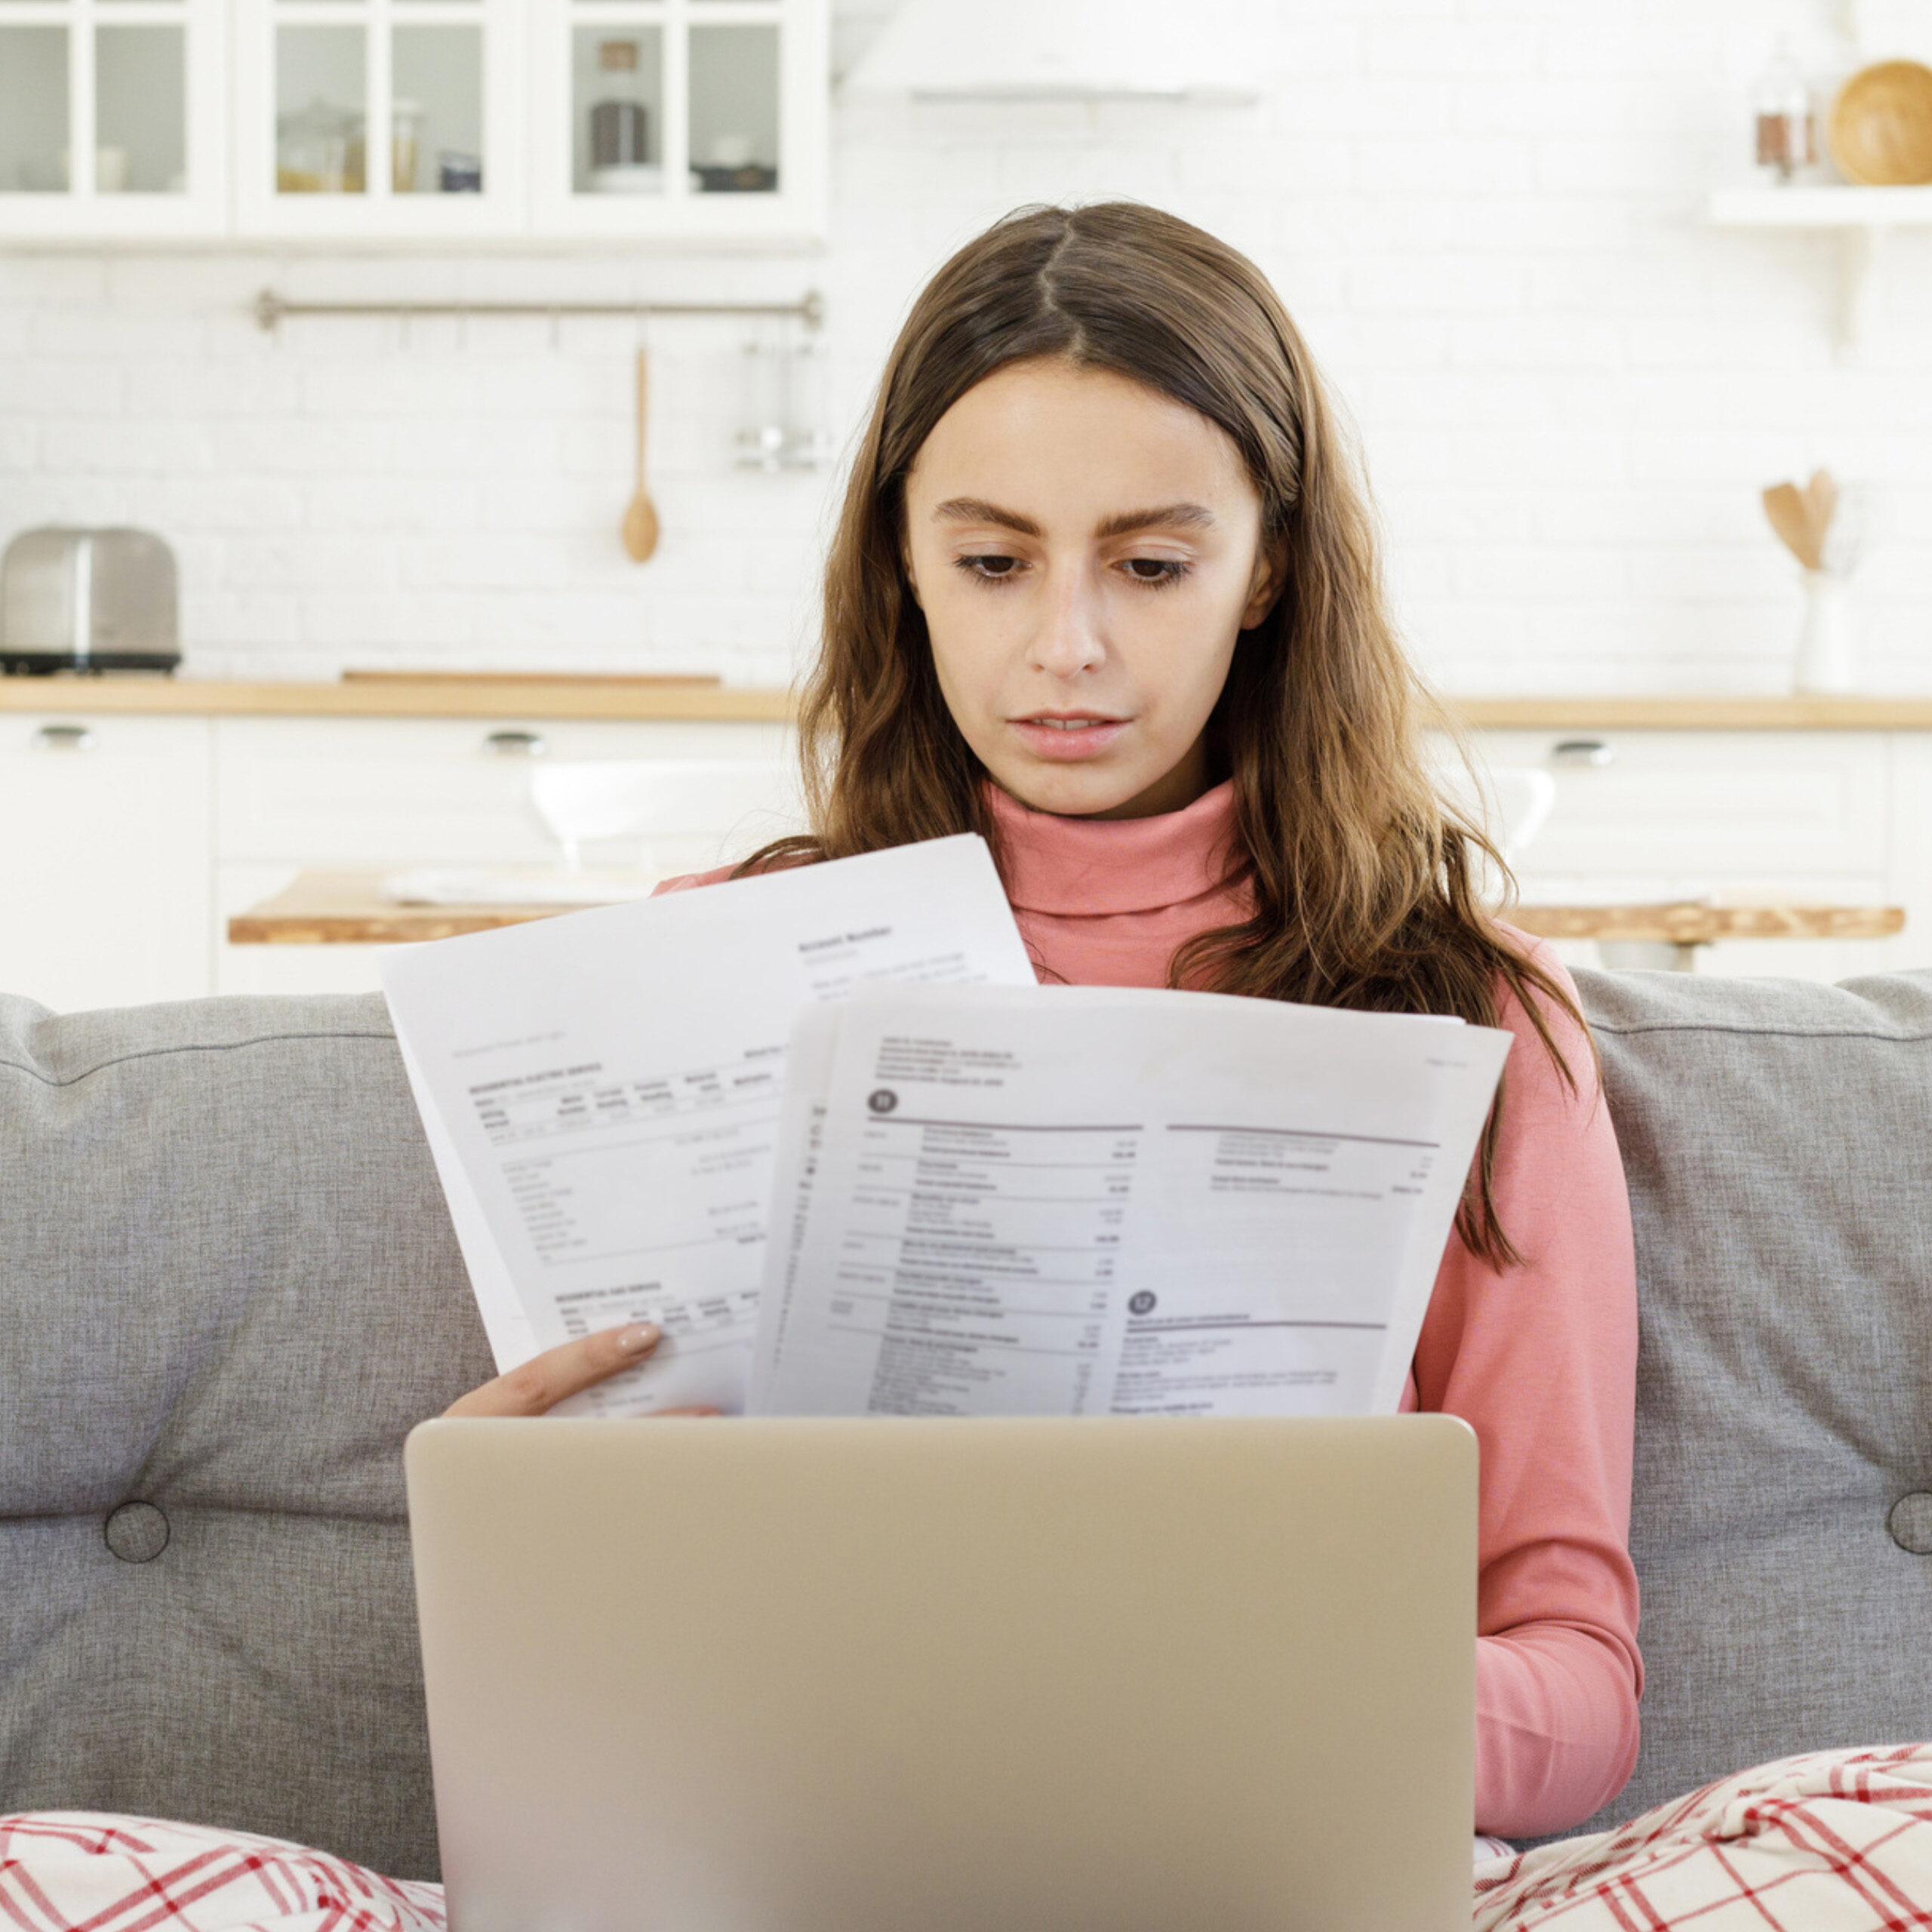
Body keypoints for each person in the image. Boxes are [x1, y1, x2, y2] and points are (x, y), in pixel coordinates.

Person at [446, 200, 1642, 1844]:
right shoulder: (710, 965)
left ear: (1266, 567)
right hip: (822, 1838)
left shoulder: (1473, 1015)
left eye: (1151, 565)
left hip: (1258, 1838)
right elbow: (601, 1681)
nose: (1063, 646)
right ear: (902, 566)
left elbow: (1578, 1692)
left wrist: (1282, 1678)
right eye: (991, 561)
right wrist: (503, 1519)